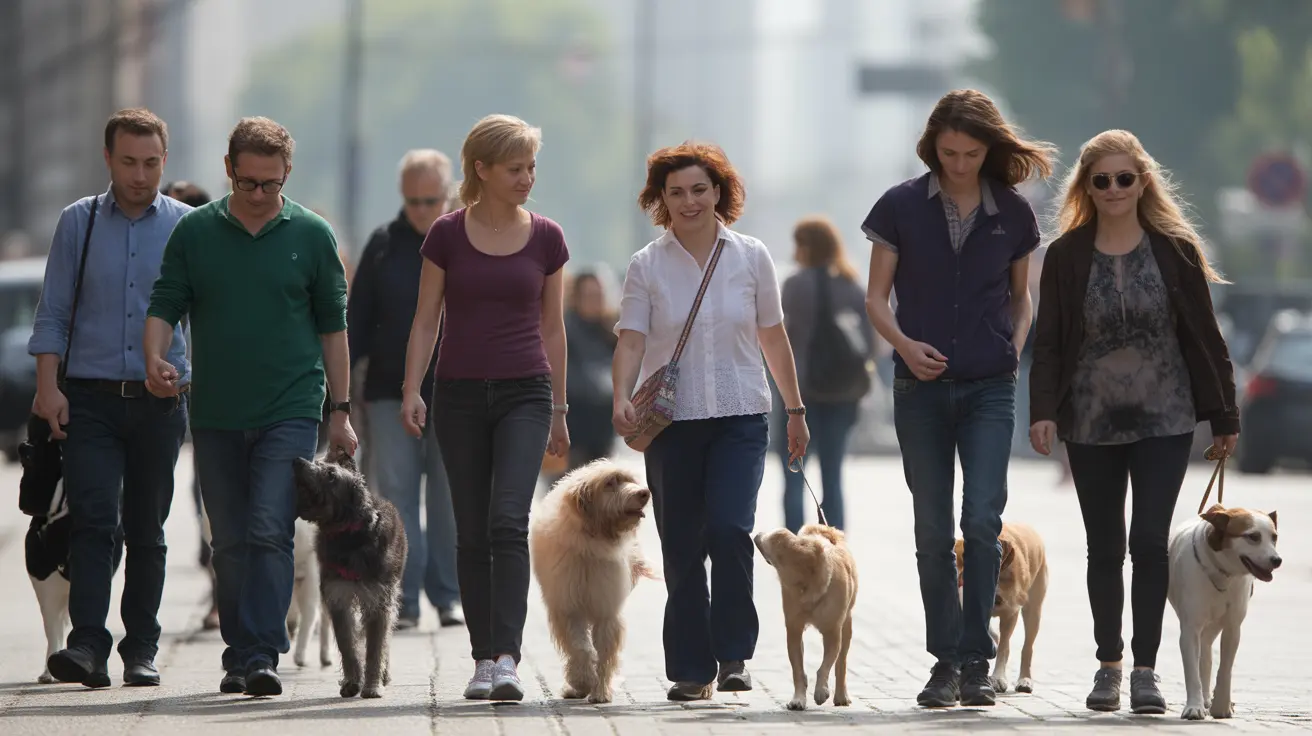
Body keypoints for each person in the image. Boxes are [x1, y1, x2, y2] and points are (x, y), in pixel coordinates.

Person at [1029, 129, 1239, 715]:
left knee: (1149, 541)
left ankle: (1145, 671)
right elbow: (1047, 343)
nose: (1114, 188)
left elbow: (1205, 335)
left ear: (1143, 181)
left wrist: (1224, 414)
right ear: (1087, 187)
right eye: (1102, 180)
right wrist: (1043, 411)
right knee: (1104, 546)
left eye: (1125, 177)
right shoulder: (1067, 256)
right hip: (1090, 420)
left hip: (1165, 416)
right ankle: (1108, 665)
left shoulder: (1175, 248)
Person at [144, 116, 356, 697]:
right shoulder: (197, 234)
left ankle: (262, 652)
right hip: (215, 411)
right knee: (230, 539)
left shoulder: (312, 234)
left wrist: (340, 411)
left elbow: (333, 328)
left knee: (269, 528)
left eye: (271, 184)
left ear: (288, 173)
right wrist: (153, 357)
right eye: (248, 183)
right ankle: (239, 651)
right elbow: (166, 300)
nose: (260, 195)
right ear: (228, 171)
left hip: (291, 407)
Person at [861, 89, 1055, 708]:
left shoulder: (1015, 213)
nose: (961, 164)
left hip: (989, 386)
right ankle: (943, 661)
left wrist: (1012, 344)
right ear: (932, 147)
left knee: (982, 519)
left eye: (973, 153)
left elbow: (1022, 295)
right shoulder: (899, 206)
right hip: (918, 388)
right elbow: (874, 299)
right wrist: (905, 344)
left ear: (990, 150)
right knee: (932, 527)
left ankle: (977, 659)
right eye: (949, 152)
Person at [612, 141, 810, 702]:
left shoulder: (751, 256)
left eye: (700, 189)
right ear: (661, 200)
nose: (689, 201)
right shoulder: (646, 265)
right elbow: (631, 338)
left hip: (741, 417)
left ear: (719, 192)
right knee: (680, 544)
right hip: (672, 425)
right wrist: (620, 394)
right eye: (676, 192)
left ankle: (734, 654)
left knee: (728, 529)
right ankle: (692, 670)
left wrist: (794, 409)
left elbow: (773, 335)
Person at [400, 114, 569, 702]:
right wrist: (411, 388)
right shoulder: (446, 234)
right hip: (461, 395)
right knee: (471, 531)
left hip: (526, 391)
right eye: (515, 168)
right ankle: (480, 658)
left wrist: (561, 410)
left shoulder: (547, 237)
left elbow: (554, 328)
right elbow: (426, 320)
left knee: (506, 522)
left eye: (531, 167)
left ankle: (507, 658)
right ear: (482, 169)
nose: (527, 178)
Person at [29, 108, 192, 689]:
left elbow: (198, 319)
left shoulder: (185, 225)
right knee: (94, 521)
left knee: (147, 527)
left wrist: (183, 374)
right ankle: (88, 646)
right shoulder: (79, 222)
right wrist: (48, 389)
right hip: (90, 399)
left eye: (151, 163)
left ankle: (141, 649)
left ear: (164, 161)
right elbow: (52, 313)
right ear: (108, 159)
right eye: (128, 162)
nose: (140, 175)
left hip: (158, 404)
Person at [348, 148, 462, 630]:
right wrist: (339, 394)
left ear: (449, 193)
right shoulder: (382, 246)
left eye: (430, 199)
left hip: (455, 390)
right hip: (388, 391)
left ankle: (448, 595)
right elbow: (355, 321)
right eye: (413, 200)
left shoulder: (465, 240)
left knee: (449, 497)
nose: (421, 210)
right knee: (393, 496)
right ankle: (404, 598)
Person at [777, 215, 875, 532]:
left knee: (794, 474)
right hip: (843, 393)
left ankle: (793, 546)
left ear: (805, 247)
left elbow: (778, 339)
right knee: (833, 476)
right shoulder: (851, 285)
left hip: (799, 393)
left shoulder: (794, 285)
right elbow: (870, 344)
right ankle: (834, 546)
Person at [563, 269, 618, 472]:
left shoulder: (610, 331)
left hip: (603, 429)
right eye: (589, 295)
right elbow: (566, 377)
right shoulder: (566, 330)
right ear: (576, 297)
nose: (595, 301)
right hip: (574, 431)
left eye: (598, 295)